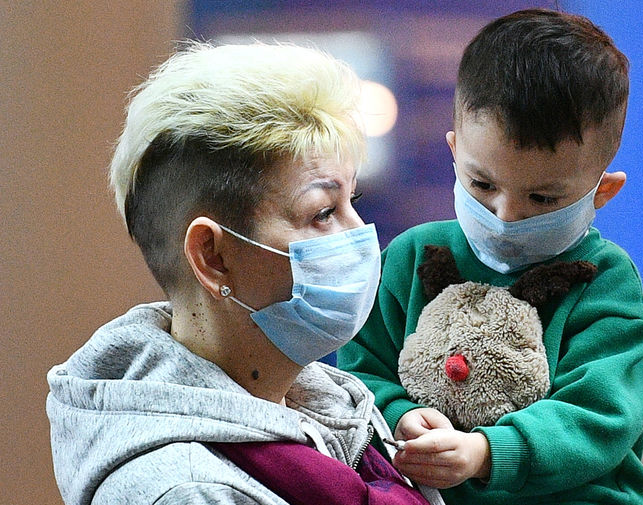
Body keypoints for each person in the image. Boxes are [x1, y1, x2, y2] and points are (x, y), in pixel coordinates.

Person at [46, 42, 443, 505]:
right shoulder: (184, 491)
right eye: (322, 213)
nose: (359, 235)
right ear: (212, 257)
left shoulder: (335, 407)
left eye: (351, 201)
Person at [338, 8, 643, 505]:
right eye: (482, 184)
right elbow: (358, 373)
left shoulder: (605, 283)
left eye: (543, 198)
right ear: (455, 152)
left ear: (603, 191)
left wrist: (489, 451)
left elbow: (601, 416)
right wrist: (400, 414)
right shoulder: (409, 258)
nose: (506, 214)